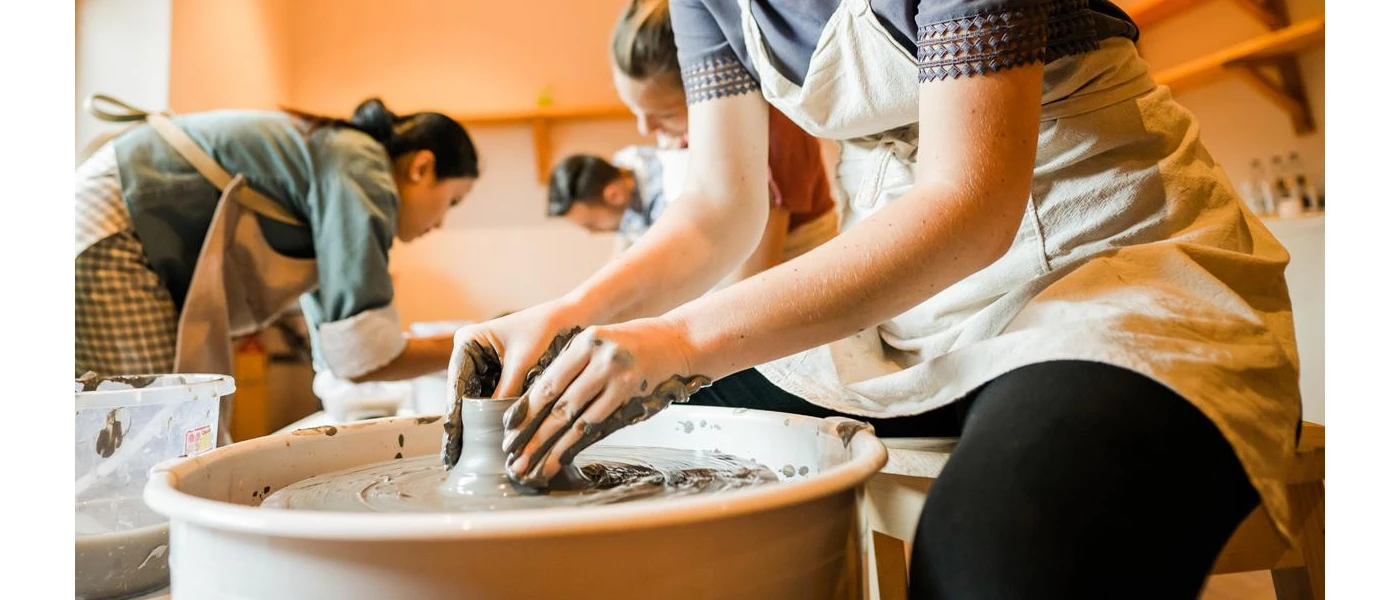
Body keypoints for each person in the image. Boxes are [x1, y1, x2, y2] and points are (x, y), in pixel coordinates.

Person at [447, 1, 1301, 597]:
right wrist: (564, 317)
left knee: (994, 567)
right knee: (614, 443)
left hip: (1104, 258)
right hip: (901, 302)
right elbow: (718, 208)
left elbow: (968, 206)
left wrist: (674, 339)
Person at [76, 95, 479, 440]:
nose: (441, 222)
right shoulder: (362, 165)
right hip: (114, 231)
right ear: (421, 167)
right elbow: (366, 359)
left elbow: (348, 353)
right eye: (454, 201)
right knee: (158, 437)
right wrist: (483, 339)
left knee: (165, 435)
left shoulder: (338, 160)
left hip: (109, 224)